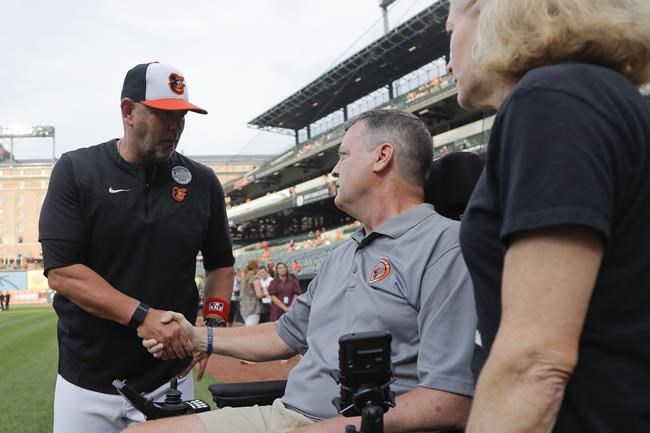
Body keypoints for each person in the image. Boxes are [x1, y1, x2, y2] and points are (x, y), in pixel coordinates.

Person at [125, 108, 477, 433]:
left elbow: (449, 401)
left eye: (343, 156)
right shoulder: (343, 254)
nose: (335, 171)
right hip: (287, 416)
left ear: (382, 157)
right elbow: (284, 335)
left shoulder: (447, 246)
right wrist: (195, 336)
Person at [446, 1, 650, 432]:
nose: (447, 59)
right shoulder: (594, 98)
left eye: (450, 29)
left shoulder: (553, 99)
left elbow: (534, 364)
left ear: (493, 15)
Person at [38, 62, 235, 433]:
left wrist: (213, 325)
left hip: (170, 377)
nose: (175, 127)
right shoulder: (77, 170)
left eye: (182, 116)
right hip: (87, 382)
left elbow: (221, 263)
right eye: (163, 115)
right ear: (128, 111)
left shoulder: (203, 182)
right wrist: (143, 316)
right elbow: (62, 270)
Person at [239, 260, 264, 326]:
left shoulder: (243, 279)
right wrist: (264, 290)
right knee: (251, 330)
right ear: (256, 268)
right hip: (253, 308)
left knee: (248, 329)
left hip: (244, 307)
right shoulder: (255, 279)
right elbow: (259, 295)